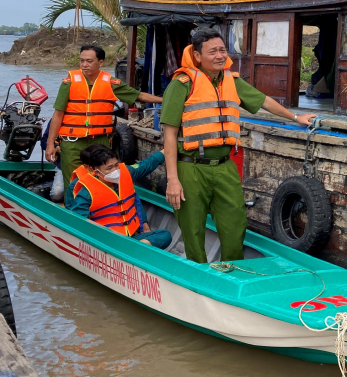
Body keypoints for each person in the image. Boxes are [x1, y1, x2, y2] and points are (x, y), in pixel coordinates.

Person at [160, 29, 317, 263]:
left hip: (224, 166)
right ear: (197, 55)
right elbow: (169, 135)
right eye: (212, 51)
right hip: (190, 167)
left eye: (222, 50)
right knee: (193, 229)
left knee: (235, 225)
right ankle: (199, 274)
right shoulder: (182, 83)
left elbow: (263, 101)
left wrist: (295, 117)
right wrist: (173, 180)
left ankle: (231, 271)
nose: (219, 55)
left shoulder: (231, 81)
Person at [45, 44, 163, 193]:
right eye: (82, 61)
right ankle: (73, 207)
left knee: (103, 181)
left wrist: (165, 100)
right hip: (72, 142)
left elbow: (138, 95)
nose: (84, 64)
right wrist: (50, 144)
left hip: (100, 141)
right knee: (73, 184)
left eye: (89, 61)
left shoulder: (111, 83)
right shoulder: (69, 83)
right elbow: (58, 114)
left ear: (100, 62)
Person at [67, 144, 172, 249]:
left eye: (116, 165)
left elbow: (147, 164)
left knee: (165, 235)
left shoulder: (125, 173)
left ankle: (132, 248)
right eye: (109, 168)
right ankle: (133, 250)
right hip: (106, 242)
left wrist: (169, 147)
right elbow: (78, 221)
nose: (115, 170)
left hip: (131, 237)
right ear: (96, 171)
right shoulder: (86, 192)